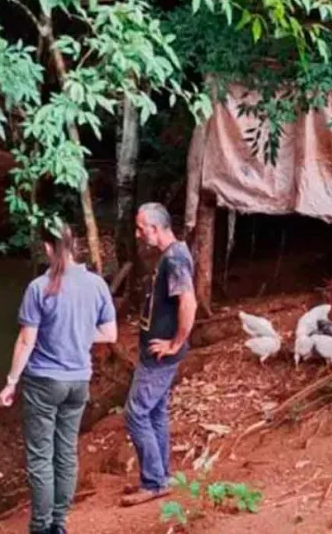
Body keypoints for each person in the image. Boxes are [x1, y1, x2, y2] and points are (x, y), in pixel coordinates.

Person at [0, 222, 117, 534]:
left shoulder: (39, 287)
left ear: (48, 248)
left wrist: (11, 381)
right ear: (74, 245)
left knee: (40, 458)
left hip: (44, 383)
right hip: (79, 381)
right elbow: (110, 333)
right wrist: (76, 334)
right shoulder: (97, 285)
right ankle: (59, 525)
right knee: (66, 454)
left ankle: (40, 527)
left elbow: (27, 341)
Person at [120, 202, 197, 507]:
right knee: (154, 412)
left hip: (160, 356)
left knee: (136, 413)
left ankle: (153, 482)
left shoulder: (176, 257)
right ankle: (159, 476)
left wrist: (176, 343)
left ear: (155, 227)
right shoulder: (170, 255)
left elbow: (188, 303)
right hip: (155, 351)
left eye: (142, 228)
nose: (139, 234)